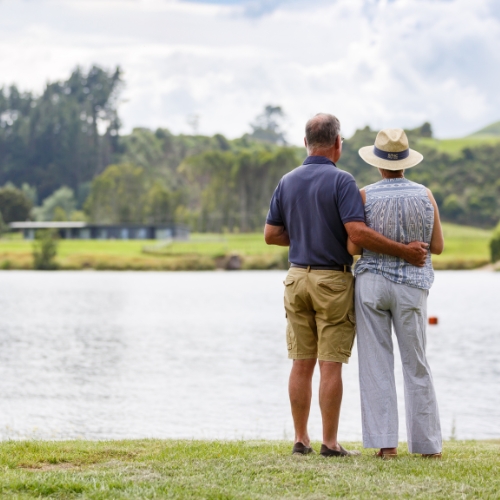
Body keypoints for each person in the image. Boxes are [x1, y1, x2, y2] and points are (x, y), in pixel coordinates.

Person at [264, 114, 428, 457]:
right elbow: (357, 233)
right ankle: (330, 442)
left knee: (300, 361)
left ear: (304, 142)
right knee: (329, 363)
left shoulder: (287, 180)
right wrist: (404, 251)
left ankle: (300, 439)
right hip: (332, 280)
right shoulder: (342, 181)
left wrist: (306, 232)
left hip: (296, 278)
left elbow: (271, 235)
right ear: (337, 143)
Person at [348, 128, 444, 459]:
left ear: (378, 163)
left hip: (372, 284)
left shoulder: (364, 195)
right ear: (406, 161)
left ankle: (386, 447)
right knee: (416, 363)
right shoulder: (425, 194)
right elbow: (439, 247)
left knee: (376, 363)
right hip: (412, 287)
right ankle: (428, 447)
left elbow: (352, 246)